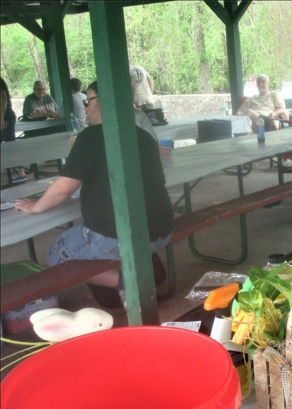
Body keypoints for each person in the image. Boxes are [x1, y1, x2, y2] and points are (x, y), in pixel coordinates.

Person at [14, 80, 174, 305]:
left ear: (104, 102)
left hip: (121, 236)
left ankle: (126, 285)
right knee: (109, 240)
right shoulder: (143, 136)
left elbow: (62, 190)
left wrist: (36, 206)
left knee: (58, 253)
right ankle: (142, 278)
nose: (85, 107)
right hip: (163, 230)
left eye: (88, 100)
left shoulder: (92, 136)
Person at [1, 77, 23, 183]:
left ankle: (21, 172)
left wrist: (1, 119)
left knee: (11, 145)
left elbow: (3, 99)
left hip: (5, 118)